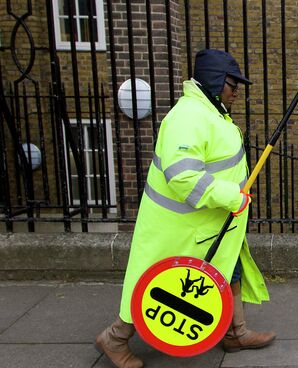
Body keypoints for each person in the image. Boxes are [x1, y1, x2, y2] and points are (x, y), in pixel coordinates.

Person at [95, 49, 276, 368]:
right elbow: (181, 176)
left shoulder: (209, 112)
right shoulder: (187, 117)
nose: (236, 94)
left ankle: (236, 332)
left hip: (208, 224)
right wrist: (232, 197)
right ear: (216, 81)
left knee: (227, 272)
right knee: (160, 286)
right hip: (178, 231)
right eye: (233, 86)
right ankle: (114, 338)